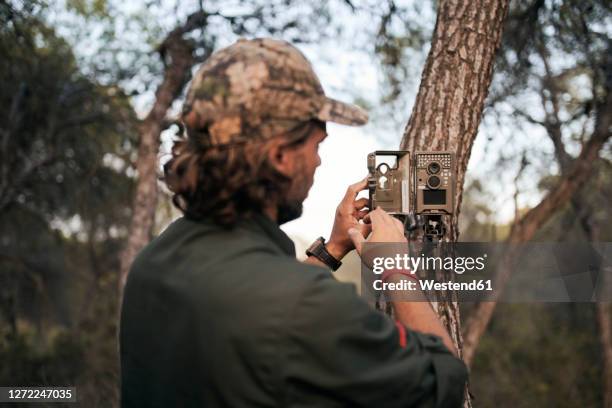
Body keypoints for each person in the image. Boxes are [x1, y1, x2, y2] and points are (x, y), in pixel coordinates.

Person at [120, 38, 467, 407]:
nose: (318, 162)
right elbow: (442, 380)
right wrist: (397, 268)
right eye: (317, 145)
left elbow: (254, 298)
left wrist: (332, 249)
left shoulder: (154, 262)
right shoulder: (303, 309)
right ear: (280, 154)